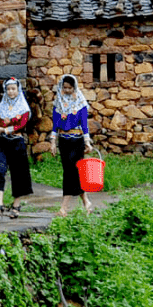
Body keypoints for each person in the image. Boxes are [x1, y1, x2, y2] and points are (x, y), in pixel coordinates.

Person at [48, 74, 94, 216]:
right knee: (72, 172)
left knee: (71, 173)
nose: (67, 90)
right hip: (64, 141)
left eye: (70, 88)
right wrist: (53, 142)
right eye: (65, 87)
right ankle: (86, 201)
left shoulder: (80, 103)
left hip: (77, 141)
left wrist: (87, 142)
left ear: (74, 87)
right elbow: (55, 124)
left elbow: (84, 124)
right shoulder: (58, 103)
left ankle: (64, 208)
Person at [0, 78, 33, 219]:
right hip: (2, 142)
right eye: (8, 89)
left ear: (18, 90)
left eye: (13, 89)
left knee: (18, 173)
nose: (11, 91)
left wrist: (6, 130)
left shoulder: (23, 108)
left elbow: (21, 125)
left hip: (16, 141)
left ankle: (16, 204)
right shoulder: (3, 106)